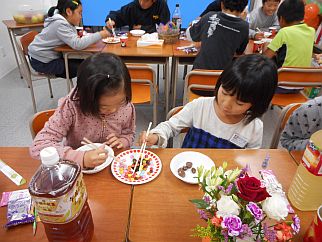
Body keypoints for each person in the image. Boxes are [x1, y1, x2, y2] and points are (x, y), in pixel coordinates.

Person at [139, 54, 278, 149]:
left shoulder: (253, 127)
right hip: (187, 169)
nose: (226, 104)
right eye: (224, 92)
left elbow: (250, 160)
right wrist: (155, 136)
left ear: (257, 103)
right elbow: (170, 126)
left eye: (239, 103)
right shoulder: (200, 106)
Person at [30, 53, 136, 169]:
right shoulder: (71, 107)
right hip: (76, 167)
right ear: (85, 98)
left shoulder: (126, 106)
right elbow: (38, 146)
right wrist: (80, 158)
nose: (114, 110)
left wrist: (122, 141)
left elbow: (129, 133)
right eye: (103, 107)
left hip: (112, 165)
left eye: (120, 103)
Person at [28, 0, 110, 79]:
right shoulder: (59, 24)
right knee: (88, 69)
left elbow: (73, 39)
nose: (81, 17)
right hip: (42, 62)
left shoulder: (65, 22)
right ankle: (84, 91)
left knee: (88, 62)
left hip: (48, 57)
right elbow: (77, 44)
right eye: (79, 13)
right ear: (69, 12)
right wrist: (101, 34)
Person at [186, 0, 249, 70]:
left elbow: (189, 36)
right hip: (222, 76)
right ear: (244, 9)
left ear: (222, 4)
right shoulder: (244, 26)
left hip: (197, 74)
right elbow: (239, 51)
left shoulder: (209, 16)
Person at [263, 0, 315, 68]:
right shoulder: (312, 31)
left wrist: (265, 47)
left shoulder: (284, 32)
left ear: (281, 19)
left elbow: (265, 58)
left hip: (283, 75)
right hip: (305, 76)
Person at [105, 0, 170, 33]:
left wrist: (142, 28)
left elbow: (165, 27)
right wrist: (111, 20)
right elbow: (117, 15)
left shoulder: (161, 5)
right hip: (134, 42)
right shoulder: (133, 6)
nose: (141, 3)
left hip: (157, 42)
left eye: (145, 1)